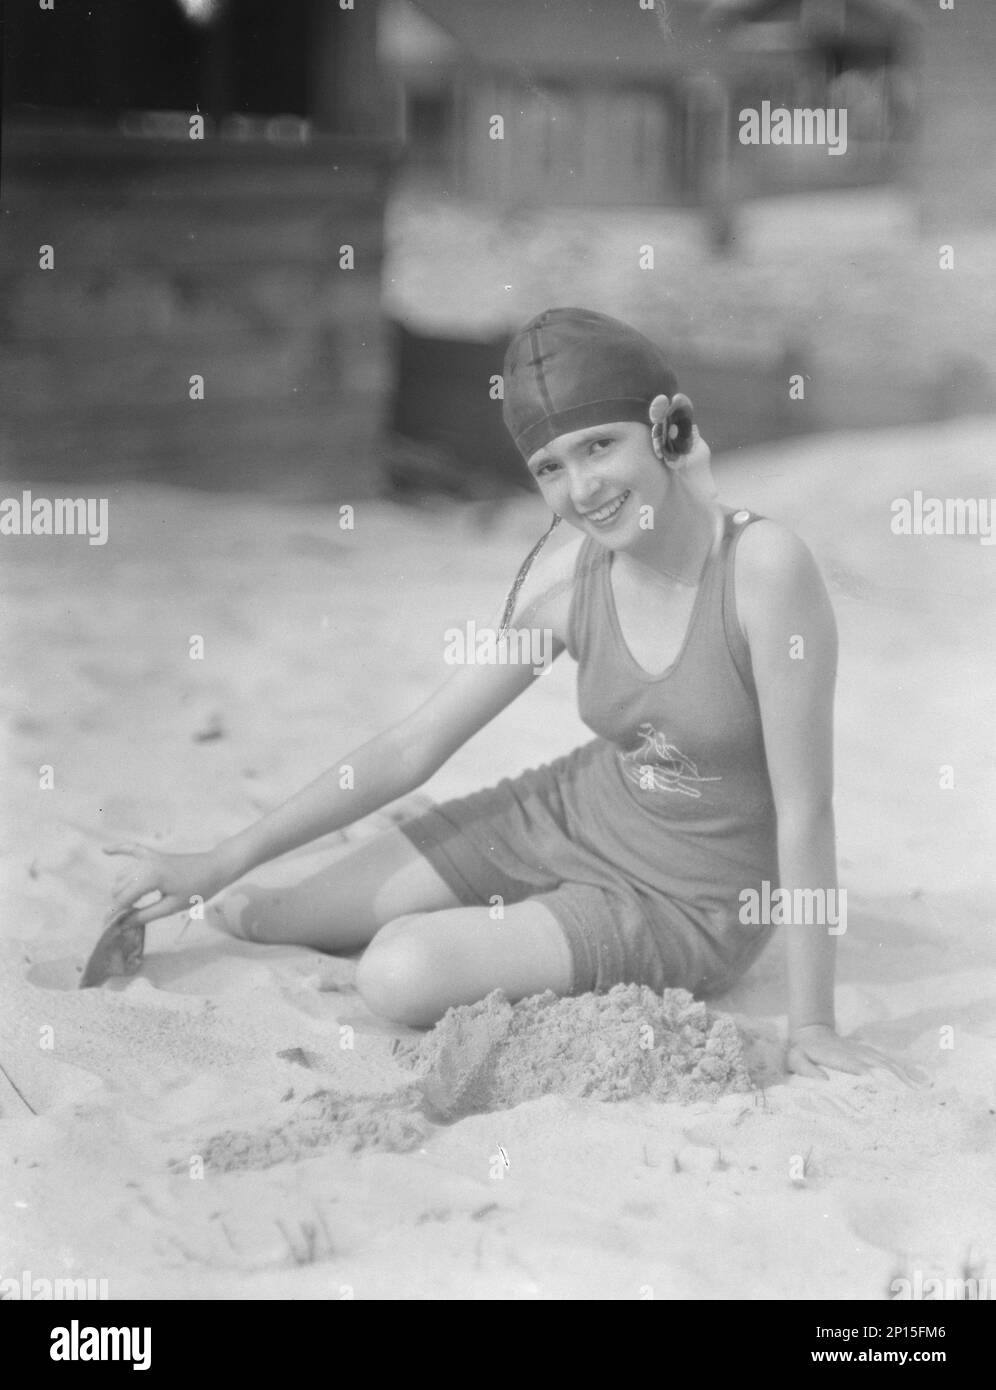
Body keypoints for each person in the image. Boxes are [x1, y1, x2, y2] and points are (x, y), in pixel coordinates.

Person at [103, 307, 914, 1082]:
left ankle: (459, 896)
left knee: (397, 972)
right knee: (269, 917)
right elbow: (413, 746)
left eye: (601, 446)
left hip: (687, 905)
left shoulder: (766, 570)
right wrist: (219, 859)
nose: (583, 488)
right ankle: (339, 873)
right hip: (566, 812)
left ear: (669, 427)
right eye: (551, 467)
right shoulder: (570, 583)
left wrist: (812, 1024)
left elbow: (807, 810)